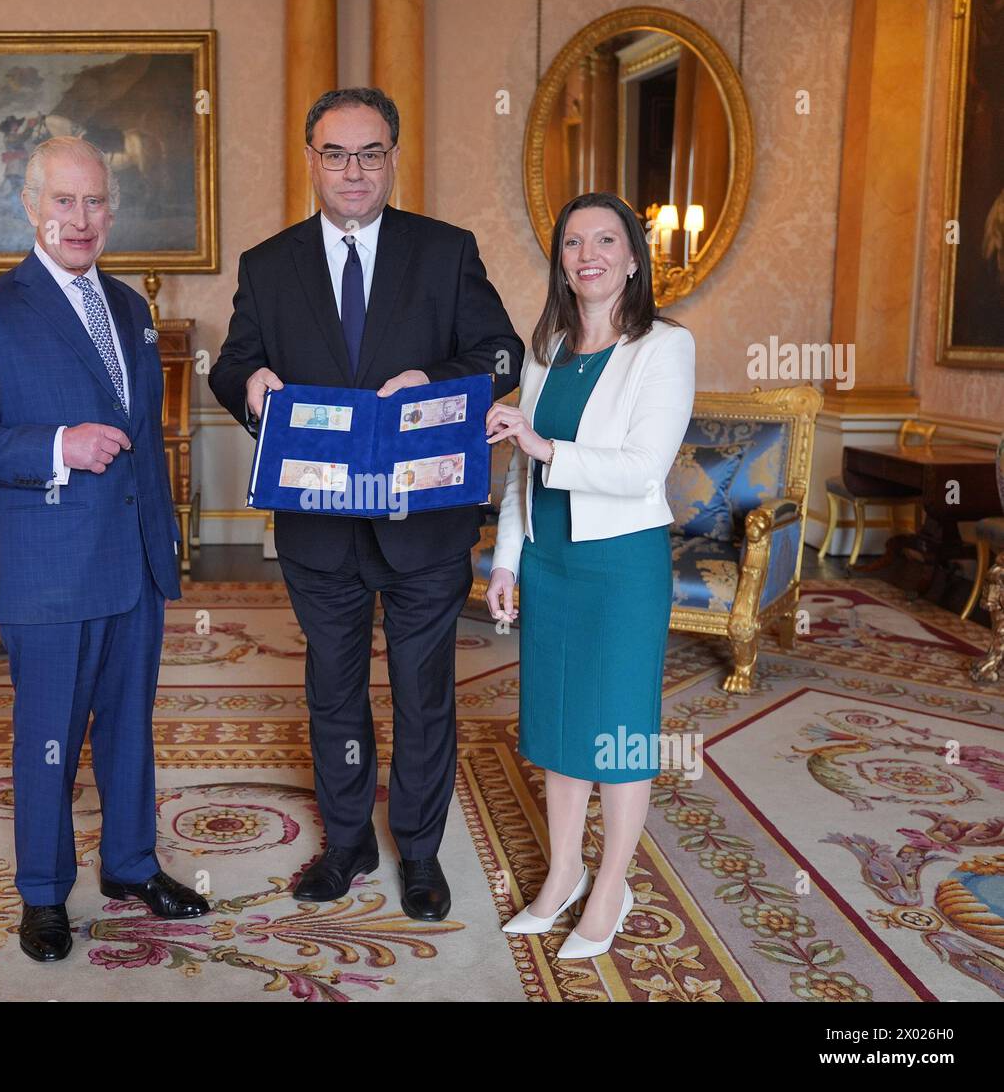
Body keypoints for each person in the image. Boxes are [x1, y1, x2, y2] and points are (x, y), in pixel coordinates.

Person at [209, 87, 522, 921]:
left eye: (370, 153)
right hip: (319, 525)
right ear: (310, 159)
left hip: (423, 520)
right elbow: (230, 364)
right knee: (333, 689)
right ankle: (348, 842)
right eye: (336, 153)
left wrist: (439, 381)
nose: (353, 170)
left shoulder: (446, 250)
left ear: (393, 158)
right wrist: (252, 385)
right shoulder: (268, 264)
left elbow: (501, 350)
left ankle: (419, 852)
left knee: (425, 692)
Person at [0, 135, 209, 964]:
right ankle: (45, 894)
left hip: (134, 565)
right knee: (48, 736)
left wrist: (167, 547)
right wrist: (57, 445)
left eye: (95, 203)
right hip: (51, 573)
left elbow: (150, 441)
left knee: (130, 727)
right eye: (64, 201)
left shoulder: (129, 306)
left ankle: (130, 865)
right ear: (29, 205)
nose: (81, 219)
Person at [484, 191, 694, 959]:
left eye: (606, 240)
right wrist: (507, 560)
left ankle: (612, 885)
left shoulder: (665, 347)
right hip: (551, 561)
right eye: (574, 243)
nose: (589, 255)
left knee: (618, 733)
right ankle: (564, 872)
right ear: (561, 263)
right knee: (559, 724)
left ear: (634, 258)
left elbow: (644, 468)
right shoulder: (547, 349)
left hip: (620, 565)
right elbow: (519, 476)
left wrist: (541, 447)